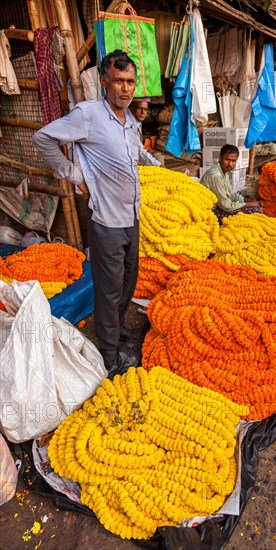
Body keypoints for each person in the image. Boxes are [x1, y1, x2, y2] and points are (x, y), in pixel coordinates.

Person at [32, 50, 160, 374]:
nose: (126, 88)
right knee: (109, 287)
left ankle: (115, 331)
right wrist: (73, 173)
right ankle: (109, 353)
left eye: (130, 81)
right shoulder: (87, 115)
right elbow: (43, 138)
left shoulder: (131, 121)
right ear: (104, 82)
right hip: (105, 220)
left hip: (131, 216)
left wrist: (160, 166)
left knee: (128, 283)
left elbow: (135, 159)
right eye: (119, 81)